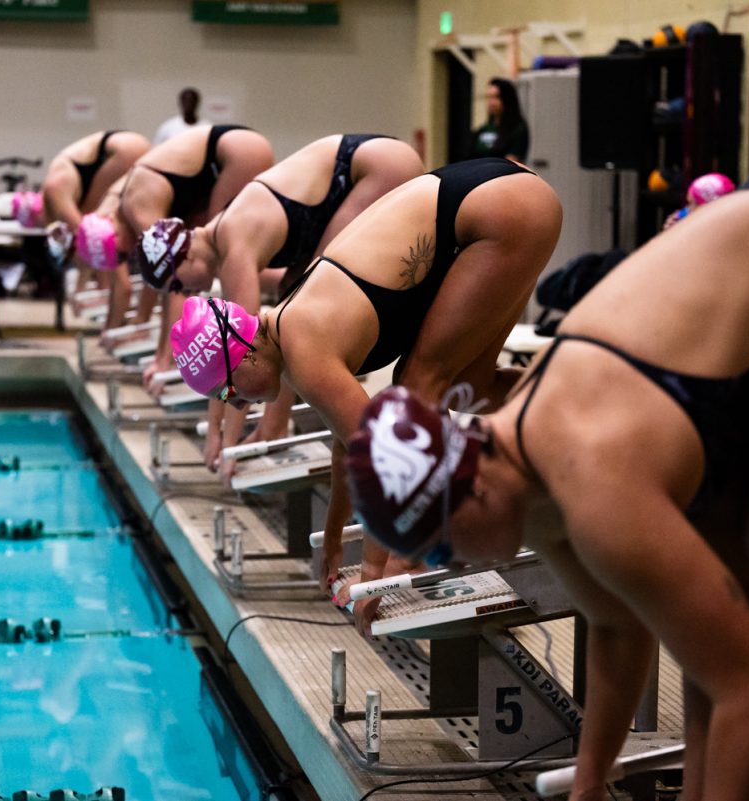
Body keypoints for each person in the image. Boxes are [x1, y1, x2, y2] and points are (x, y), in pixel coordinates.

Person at [344, 160, 749, 801]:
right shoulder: (528, 472)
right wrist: (589, 783)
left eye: (441, 546)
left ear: (468, 488)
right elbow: (618, 626)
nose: (452, 563)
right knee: (720, 618)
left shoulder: (594, 484)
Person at [168, 157, 561, 610]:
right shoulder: (287, 334)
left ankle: (413, 557)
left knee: (417, 384)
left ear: (246, 355)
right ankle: (579, 411)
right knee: (469, 383)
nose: (237, 408)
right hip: (500, 199)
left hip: (497, 210)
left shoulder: (302, 346)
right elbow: (348, 446)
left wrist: (375, 575)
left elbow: (383, 454)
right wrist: (334, 538)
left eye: (229, 393)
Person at [136, 134, 424, 479]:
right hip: (364, 165)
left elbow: (240, 354)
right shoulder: (229, 235)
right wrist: (218, 430)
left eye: (178, 284)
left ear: (185, 256)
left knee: (295, 312)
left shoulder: (234, 242)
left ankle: (277, 429)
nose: (185, 292)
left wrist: (224, 440)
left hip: (374, 166)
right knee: (294, 291)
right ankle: (276, 426)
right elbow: (226, 364)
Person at [120, 124, 273, 379]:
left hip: (236, 153)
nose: (122, 259)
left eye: (117, 255)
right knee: (228, 260)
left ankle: (247, 360)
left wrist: (166, 361)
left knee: (226, 257)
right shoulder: (136, 206)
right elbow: (170, 284)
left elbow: (173, 284)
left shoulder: (137, 205)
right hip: (231, 150)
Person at [31, 130, 151, 325]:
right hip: (124, 146)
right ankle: (116, 309)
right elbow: (87, 250)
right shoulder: (58, 194)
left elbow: (89, 242)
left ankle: (119, 319)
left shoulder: (56, 192)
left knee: (99, 239)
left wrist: (79, 288)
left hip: (120, 151)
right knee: (99, 241)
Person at [470, 78, 529, 162]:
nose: (491, 102)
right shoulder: (483, 129)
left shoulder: (518, 129)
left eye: (496, 97)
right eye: (489, 97)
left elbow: (512, 162)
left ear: (507, 99)